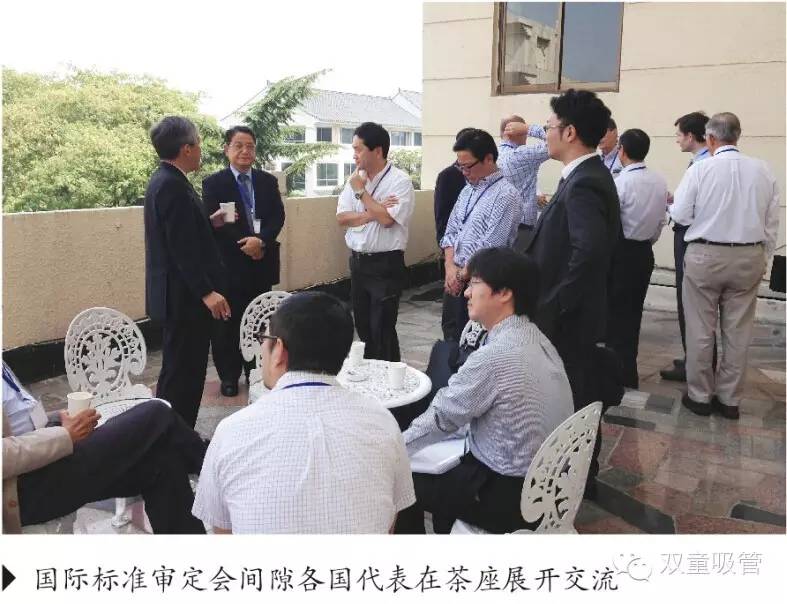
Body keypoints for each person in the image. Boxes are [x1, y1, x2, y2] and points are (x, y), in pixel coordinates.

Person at [192, 292, 415, 533]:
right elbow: (389, 523)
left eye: (264, 338)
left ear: (279, 350)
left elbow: (222, 531)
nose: (263, 348)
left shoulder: (232, 432)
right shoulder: (383, 422)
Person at [395, 248, 573, 534]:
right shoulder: (541, 341)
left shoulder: (495, 356)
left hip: (504, 498)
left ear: (504, 293)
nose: (466, 292)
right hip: (546, 490)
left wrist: (393, 451)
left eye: (475, 283)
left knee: (401, 480)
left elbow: (442, 418)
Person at [525, 90, 620, 497]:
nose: (545, 133)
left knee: (574, 396)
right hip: (569, 314)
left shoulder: (585, 183)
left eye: (549, 126)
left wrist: (555, 306)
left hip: (570, 319)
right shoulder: (582, 177)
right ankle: (572, 474)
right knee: (572, 395)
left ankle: (573, 480)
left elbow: (589, 251)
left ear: (570, 132)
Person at [2, 362, 207, 534]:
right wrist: (65, 435)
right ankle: (212, 471)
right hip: (22, 487)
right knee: (156, 414)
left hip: (45, 449)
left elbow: (19, 418)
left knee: (161, 459)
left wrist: (57, 419)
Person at [670, 112, 780, 420]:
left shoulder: (700, 169)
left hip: (705, 254)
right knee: (738, 331)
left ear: (710, 139)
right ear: (738, 136)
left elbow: (680, 213)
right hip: (749, 255)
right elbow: (772, 220)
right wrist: (764, 256)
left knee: (700, 329)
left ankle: (700, 396)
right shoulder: (763, 170)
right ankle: (730, 399)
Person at [144, 116, 229, 428]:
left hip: (178, 297)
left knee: (178, 371)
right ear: (186, 149)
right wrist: (207, 292)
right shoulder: (172, 186)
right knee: (185, 375)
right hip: (184, 299)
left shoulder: (166, 180)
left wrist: (208, 222)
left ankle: (173, 436)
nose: (201, 150)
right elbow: (181, 248)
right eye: (198, 143)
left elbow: (180, 233)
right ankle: (177, 441)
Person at [202, 126, 286, 397]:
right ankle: (229, 376)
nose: (245, 151)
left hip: (261, 262)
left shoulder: (267, 181)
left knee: (259, 320)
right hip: (228, 266)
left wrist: (260, 241)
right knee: (226, 325)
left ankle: (255, 370)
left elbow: (277, 217)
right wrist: (246, 245)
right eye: (238, 145)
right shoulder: (214, 183)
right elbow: (216, 223)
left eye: (250, 146)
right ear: (226, 149)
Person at [336, 122, 415, 362]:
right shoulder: (355, 180)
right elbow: (342, 218)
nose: (354, 154)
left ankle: (390, 377)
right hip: (359, 263)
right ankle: (371, 374)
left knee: (382, 328)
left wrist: (362, 194)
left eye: (358, 149)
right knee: (363, 327)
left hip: (385, 265)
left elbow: (388, 221)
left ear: (378, 151)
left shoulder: (399, 181)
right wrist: (374, 211)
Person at [440, 129, 521, 342]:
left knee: (473, 344)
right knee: (450, 339)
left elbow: (491, 246)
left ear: (488, 159)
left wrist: (461, 276)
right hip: (455, 278)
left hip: (482, 284)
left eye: (468, 166)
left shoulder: (506, 195)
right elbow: (451, 231)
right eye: (460, 166)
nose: (464, 172)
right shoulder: (467, 190)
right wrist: (450, 267)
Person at [605, 129, 668, 388]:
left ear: (622, 150)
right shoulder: (659, 181)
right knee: (633, 315)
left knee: (614, 317)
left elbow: (610, 221)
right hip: (643, 252)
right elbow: (661, 220)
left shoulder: (620, 182)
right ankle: (628, 373)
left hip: (620, 253)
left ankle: (614, 375)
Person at [660, 111, 712, 382]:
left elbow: (683, 213)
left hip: (691, 237)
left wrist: (670, 205)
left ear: (691, 136)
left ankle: (695, 363)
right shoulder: (705, 162)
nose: (677, 140)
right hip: (704, 239)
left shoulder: (702, 165)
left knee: (690, 304)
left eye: (679, 135)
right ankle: (695, 358)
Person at [435, 127, 476, 341]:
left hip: (475, 264)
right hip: (453, 254)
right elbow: (442, 218)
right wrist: (447, 259)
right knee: (451, 321)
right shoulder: (448, 176)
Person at [497, 115, 551, 252]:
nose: (526, 136)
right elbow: (557, 142)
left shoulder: (493, 155)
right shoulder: (521, 154)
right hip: (522, 228)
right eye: (523, 132)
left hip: (498, 225)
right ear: (513, 131)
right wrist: (529, 128)